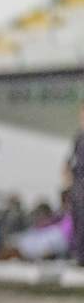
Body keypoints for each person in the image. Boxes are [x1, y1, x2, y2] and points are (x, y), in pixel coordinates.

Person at [67, 101, 84, 266]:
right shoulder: (79, 136)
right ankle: (79, 257)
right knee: (77, 219)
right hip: (78, 186)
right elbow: (70, 160)